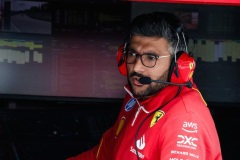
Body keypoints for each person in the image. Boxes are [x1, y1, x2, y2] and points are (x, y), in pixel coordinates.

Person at [67, 12, 222, 160]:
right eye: (132, 54)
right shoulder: (138, 96)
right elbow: (105, 154)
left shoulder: (184, 120)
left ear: (178, 66)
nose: (136, 68)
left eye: (151, 58)